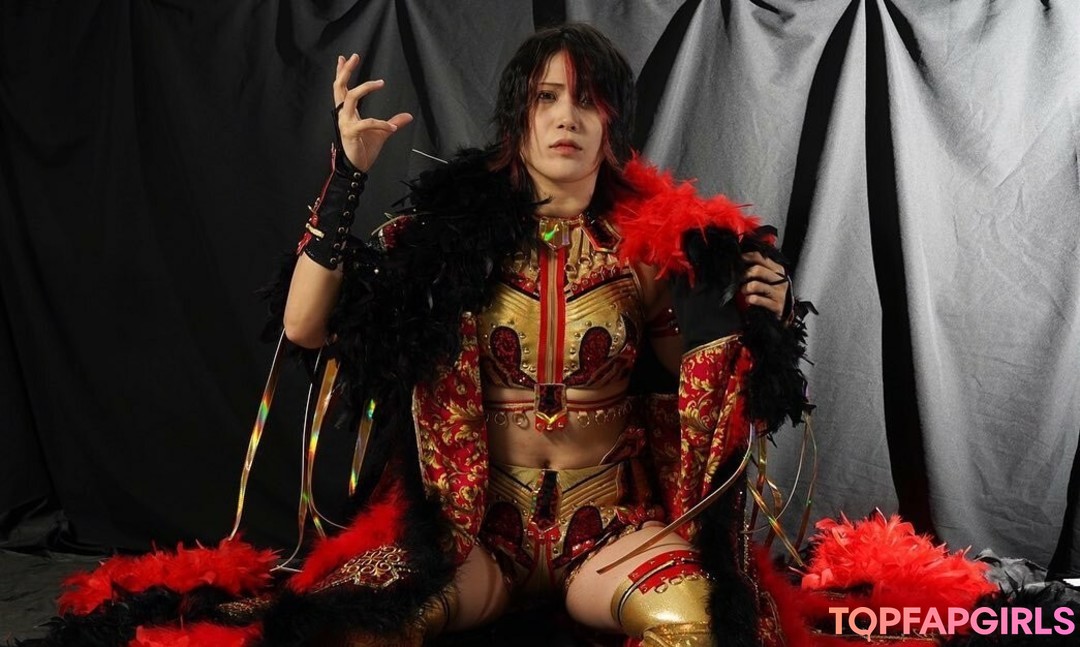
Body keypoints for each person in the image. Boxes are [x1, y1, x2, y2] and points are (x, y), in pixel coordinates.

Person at [47, 23, 812, 647]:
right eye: (546, 98)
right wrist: (347, 176)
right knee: (352, 628)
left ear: (613, 122)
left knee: (706, 626)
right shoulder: (445, 242)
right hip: (470, 535)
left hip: (610, 533)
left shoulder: (651, 254)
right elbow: (304, 324)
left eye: (588, 99)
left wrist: (761, 320)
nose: (567, 117)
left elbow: (700, 385)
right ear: (518, 119)